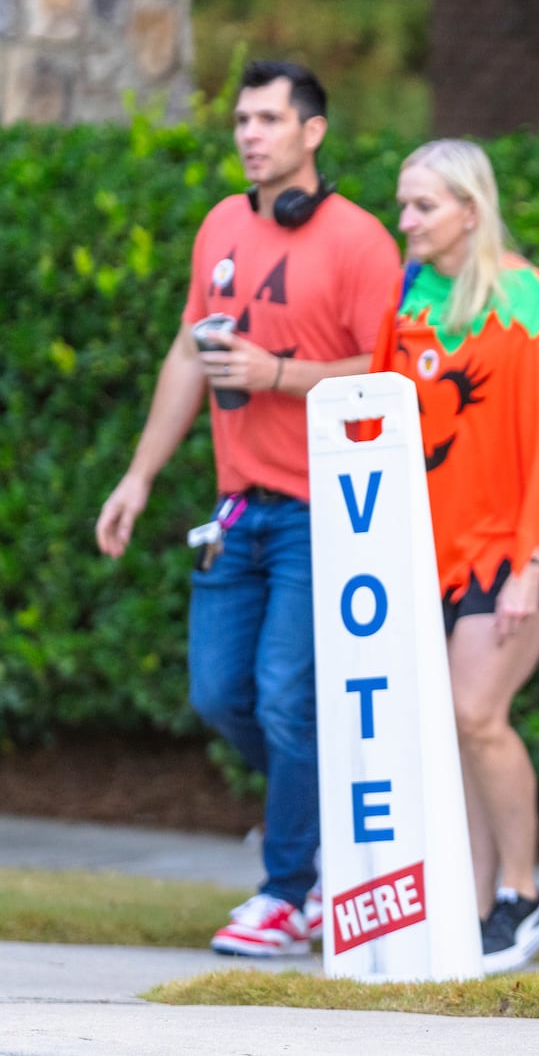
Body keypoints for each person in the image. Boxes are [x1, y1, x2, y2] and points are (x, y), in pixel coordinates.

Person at [94, 61, 402, 956]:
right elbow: (189, 356)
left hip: (323, 512)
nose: (249, 134)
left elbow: (389, 373)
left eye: (269, 118)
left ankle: (286, 890)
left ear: (314, 132)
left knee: (282, 697)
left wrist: (280, 376)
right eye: (240, 118)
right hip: (236, 513)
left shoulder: (359, 242)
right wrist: (139, 476)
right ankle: (325, 833)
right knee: (219, 694)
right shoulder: (222, 226)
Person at [369, 139, 539, 974]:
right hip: (425, 551)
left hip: (513, 549)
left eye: (423, 206)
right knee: (450, 729)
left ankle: (524, 894)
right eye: (403, 204)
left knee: (476, 715)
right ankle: (470, 907)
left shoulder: (526, 300)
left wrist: (535, 564)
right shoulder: (409, 299)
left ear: (472, 208)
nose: (407, 221)